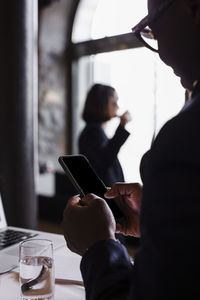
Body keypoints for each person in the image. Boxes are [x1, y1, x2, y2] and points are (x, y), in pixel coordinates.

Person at [63, 0, 200, 299]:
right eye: (147, 27)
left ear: (192, 9)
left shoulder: (184, 140)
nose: (159, 46)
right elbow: (103, 158)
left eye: (152, 25)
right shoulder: (92, 132)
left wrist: (99, 244)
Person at [78, 83, 132, 188]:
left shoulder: (96, 131)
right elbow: (104, 159)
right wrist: (122, 126)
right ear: (101, 104)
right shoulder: (92, 132)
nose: (118, 106)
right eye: (113, 102)